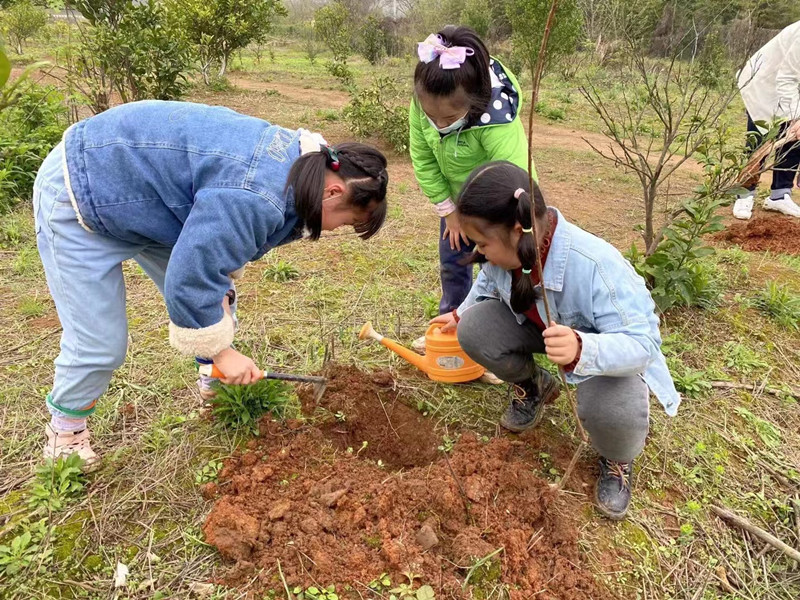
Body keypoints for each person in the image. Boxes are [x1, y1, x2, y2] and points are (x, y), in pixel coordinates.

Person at [34, 100, 389, 467]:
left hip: (151, 202)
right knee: (100, 344)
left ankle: (215, 384)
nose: (334, 231)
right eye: (345, 222)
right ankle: (66, 432)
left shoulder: (303, 169)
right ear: (333, 194)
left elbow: (216, 256)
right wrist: (223, 352)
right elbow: (190, 280)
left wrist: (219, 340)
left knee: (219, 297)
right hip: (83, 190)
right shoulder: (259, 193)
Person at [431, 162, 680, 520]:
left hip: (603, 355)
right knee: (474, 329)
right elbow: (487, 280)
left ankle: (616, 459)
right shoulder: (508, 251)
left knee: (611, 412)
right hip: (542, 331)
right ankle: (535, 388)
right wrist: (460, 313)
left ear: (518, 230)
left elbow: (644, 344)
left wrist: (583, 348)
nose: (481, 253)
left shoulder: (596, 265)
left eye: (483, 243)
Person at [409, 25, 530, 367]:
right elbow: (423, 156)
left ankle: (501, 340)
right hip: (458, 203)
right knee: (454, 260)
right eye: (429, 115)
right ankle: (450, 327)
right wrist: (450, 212)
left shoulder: (497, 120)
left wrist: (490, 232)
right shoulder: (428, 97)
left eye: (447, 118)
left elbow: (512, 179)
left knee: (501, 270)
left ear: (474, 105)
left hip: (505, 206)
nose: (435, 123)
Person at [733, 20, 800, 220]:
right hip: (764, 84)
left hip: (793, 87)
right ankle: (745, 193)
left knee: (795, 140)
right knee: (760, 138)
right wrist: (796, 117)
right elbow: (786, 78)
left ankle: (780, 195)